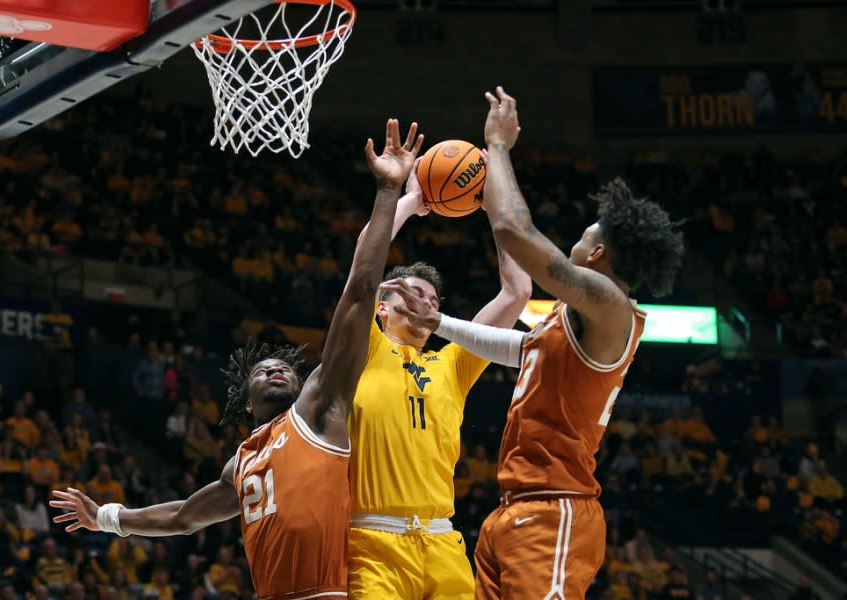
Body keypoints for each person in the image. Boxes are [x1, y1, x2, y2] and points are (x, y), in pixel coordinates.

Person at [49, 118, 424, 600]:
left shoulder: (320, 407)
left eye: (286, 368)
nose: (275, 368)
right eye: (263, 369)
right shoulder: (241, 464)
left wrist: (388, 192)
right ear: (246, 403)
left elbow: (357, 295)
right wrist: (105, 517)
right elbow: (184, 517)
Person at [380, 87, 684, 599]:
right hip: (514, 509)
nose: (576, 240)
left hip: (555, 507)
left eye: (586, 236)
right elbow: (514, 350)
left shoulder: (611, 306)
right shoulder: (570, 322)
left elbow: (514, 230)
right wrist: (442, 322)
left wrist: (496, 149)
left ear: (600, 252)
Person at [347, 158, 531, 597]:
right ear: (382, 307)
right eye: (410, 293)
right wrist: (410, 201)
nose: (423, 301)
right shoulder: (364, 348)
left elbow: (518, 292)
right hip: (373, 541)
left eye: (430, 297)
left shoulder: (452, 363)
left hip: (442, 540)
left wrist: (494, 210)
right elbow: (363, 268)